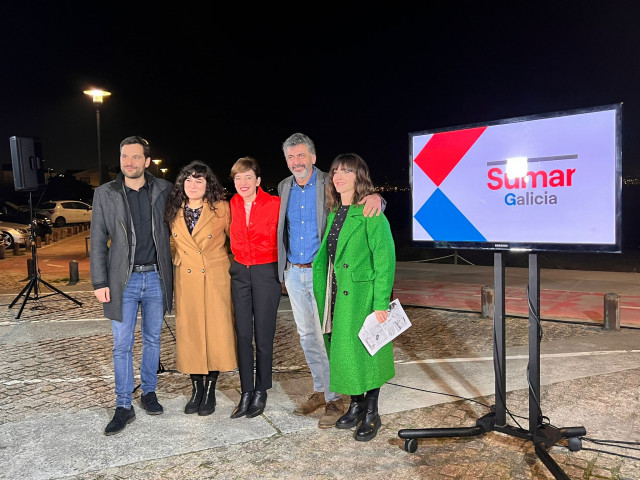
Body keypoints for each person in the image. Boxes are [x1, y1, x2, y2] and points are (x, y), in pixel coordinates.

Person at [277, 133, 384, 428]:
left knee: (331, 335)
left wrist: (378, 197)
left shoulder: (330, 181)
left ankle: (336, 398)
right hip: (294, 272)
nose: (296, 162)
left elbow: (362, 201)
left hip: (324, 274)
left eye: (301, 156)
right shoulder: (284, 187)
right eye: (290, 157)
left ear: (313, 157)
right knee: (307, 335)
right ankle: (320, 390)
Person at [90, 135, 173, 435]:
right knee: (121, 345)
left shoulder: (164, 189)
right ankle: (123, 405)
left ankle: (149, 392)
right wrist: (99, 280)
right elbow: (98, 239)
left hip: (155, 277)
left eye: (136, 157)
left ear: (147, 161)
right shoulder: (106, 193)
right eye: (125, 156)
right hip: (120, 280)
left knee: (153, 340)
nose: (129, 162)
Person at [312, 153, 396, 442]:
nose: (338, 176)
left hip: (362, 294)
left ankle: (372, 412)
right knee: (346, 351)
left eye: (346, 171)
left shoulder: (371, 212)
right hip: (337, 293)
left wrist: (381, 303)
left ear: (359, 177)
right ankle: (356, 404)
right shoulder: (336, 212)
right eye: (335, 170)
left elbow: (385, 260)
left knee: (367, 350)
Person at [165, 160, 238, 417]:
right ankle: (196, 387)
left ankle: (210, 388)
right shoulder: (173, 209)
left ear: (208, 185)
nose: (193, 185)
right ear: (181, 184)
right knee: (192, 333)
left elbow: (237, 241)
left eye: (199, 180)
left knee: (216, 332)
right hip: (186, 278)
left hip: (216, 277)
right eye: (188, 180)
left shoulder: (221, 209)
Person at [228, 157, 282, 418]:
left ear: (258, 181)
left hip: (266, 271)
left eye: (248, 177)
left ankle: (262, 390)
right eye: (238, 178)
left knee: (263, 334)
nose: (243, 183)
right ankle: (246, 389)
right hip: (240, 271)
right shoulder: (233, 203)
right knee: (242, 334)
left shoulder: (275, 204)